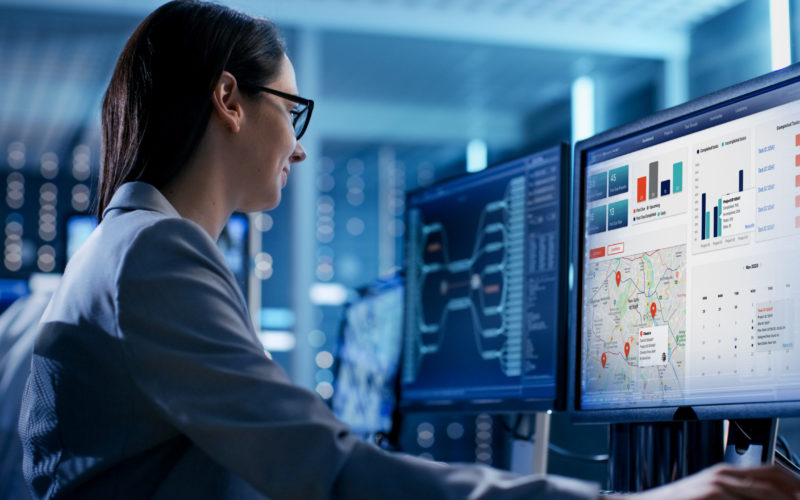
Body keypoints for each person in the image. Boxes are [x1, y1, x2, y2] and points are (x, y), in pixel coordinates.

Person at [15, 1, 800, 499]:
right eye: (294, 110)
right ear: (229, 99)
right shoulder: (154, 257)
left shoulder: (129, 248)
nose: (298, 149)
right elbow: (329, 470)